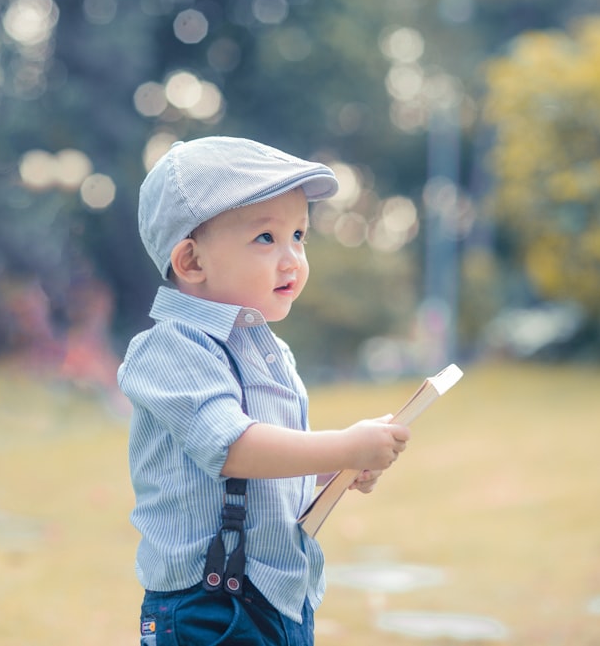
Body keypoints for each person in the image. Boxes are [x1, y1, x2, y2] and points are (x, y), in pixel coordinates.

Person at [117, 136, 411, 646]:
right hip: (207, 608)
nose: (292, 258)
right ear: (191, 262)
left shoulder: (270, 352)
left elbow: (270, 468)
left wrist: (336, 467)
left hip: (279, 596)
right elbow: (234, 448)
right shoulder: (170, 350)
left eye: (299, 235)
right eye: (266, 239)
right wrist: (345, 444)